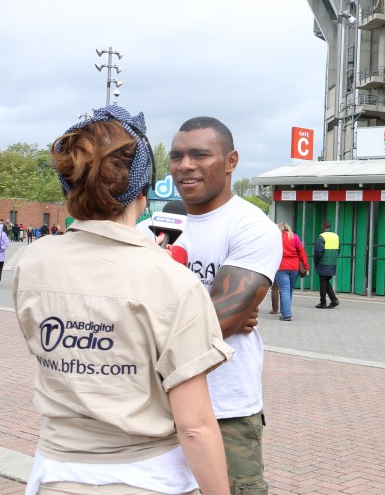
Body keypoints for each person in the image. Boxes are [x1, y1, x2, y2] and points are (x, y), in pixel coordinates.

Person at [13, 105, 232, 495]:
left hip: (55, 473)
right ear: (142, 192)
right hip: (146, 477)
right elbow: (195, 427)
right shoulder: (172, 282)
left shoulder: (32, 261)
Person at [170, 116, 282, 493]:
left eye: (200, 154)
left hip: (224, 410)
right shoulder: (153, 225)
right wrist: (208, 307)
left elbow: (220, 323)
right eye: (177, 156)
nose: (185, 165)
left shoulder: (250, 227)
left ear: (231, 161)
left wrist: (224, 312)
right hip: (154, 408)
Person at [275, 222, 309, 321]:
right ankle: (284, 310)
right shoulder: (295, 237)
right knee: (288, 290)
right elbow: (302, 252)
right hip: (294, 267)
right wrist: (306, 267)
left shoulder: (276, 238)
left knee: (284, 290)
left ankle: (287, 314)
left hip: (281, 266)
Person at [314, 220, 340, 309]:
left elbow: (318, 252)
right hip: (333, 262)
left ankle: (323, 302)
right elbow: (338, 249)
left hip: (323, 262)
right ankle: (333, 300)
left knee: (323, 282)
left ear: (323, 226)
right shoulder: (336, 236)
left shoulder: (321, 237)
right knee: (325, 281)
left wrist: (316, 261)